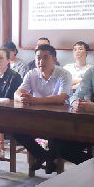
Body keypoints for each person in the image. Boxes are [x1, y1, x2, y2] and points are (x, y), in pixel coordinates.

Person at [13, 44, 72, 173]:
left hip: (60, 118)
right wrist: (21, 98)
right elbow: (17, 92)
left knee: (54, 132)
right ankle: (43, 155)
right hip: (37, 117)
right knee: (15, 128)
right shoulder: (32, 73)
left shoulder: (64, 74)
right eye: (38, 58)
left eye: (45, 57)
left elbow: (61, 98)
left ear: (54, 60)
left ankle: (48, 158)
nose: (41, 61)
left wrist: (34, 100)